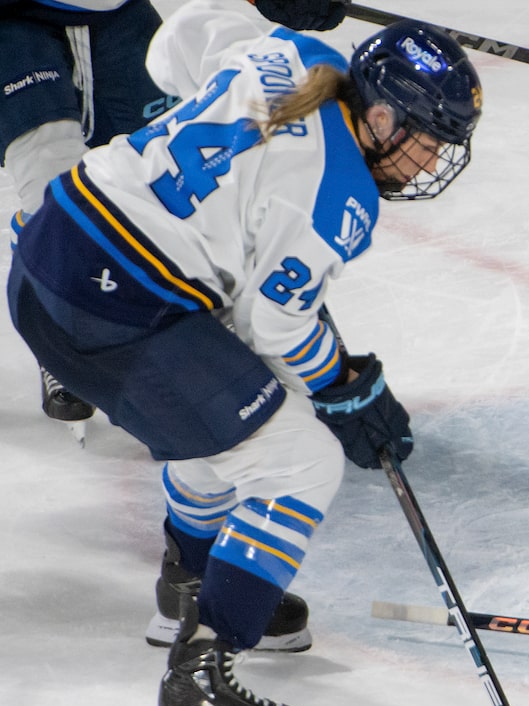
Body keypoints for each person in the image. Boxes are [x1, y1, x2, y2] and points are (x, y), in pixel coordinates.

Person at [6, 0, 483, 706]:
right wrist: (349, 392)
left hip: (53, 247)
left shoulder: (289, 51)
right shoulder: (342, 197)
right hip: (110, 305)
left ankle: (191, 583)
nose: (428, 163)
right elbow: (279, 326)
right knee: (300, 462)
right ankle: (197, 693)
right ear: (385, 118)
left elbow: (174, 46)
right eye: (427, 142)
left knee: (237, 412)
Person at [0, 0, 347, 441]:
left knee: (173, 167)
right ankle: (58, 325)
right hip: (14, 26)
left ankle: (224, 331)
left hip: (116, 17)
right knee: (53, 179)